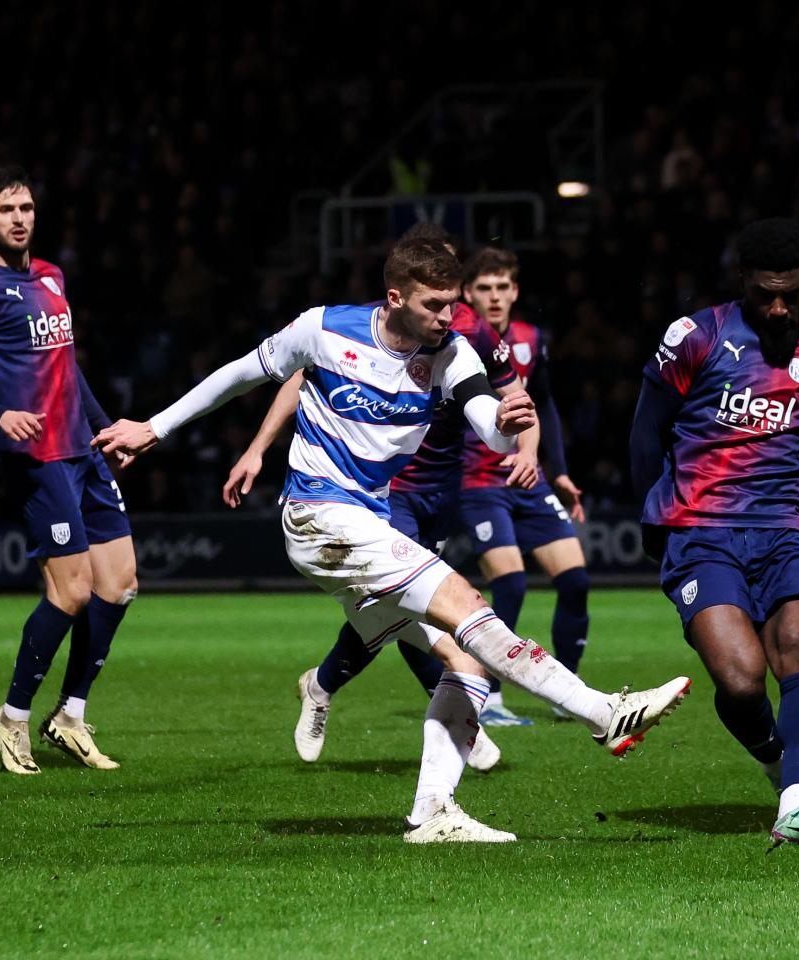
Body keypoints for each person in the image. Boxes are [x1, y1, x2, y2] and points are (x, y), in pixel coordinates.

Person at [95, 236, 690, 843]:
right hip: (318, 515)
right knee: (469, 607)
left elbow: (489, 426)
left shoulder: (454, 355)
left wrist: (512, 430)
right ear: (396, 297)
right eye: (435, 305)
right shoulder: (323, 330)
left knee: (466, 666)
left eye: (452, 304)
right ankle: (602, 712)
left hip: (368, 523)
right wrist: (155, 427)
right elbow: (239, 375)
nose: (448, 317)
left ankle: (432, 813)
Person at [223, 227, 535, 770]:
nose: (447, 305)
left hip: (445, 484)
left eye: (452, 288)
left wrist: (520, 442)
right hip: (392, 489)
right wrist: (257, 448)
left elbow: (511, 401)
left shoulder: (471, 337)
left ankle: (320, 686)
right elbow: (300, 376)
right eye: (436, 288)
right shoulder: (376, 324)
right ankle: (461, 713)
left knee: (384, 614)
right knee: (418, 608)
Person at [629, 218, 799, 846]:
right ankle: (782, 770)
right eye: (765, 294)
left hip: (781, 531)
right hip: (700, 528)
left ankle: (798, 804)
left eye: (791, 294)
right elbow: (646, 433)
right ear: (743, 284)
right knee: (739, 676)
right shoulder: (695, 337)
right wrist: (651, 519)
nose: (778, 307)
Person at [0, 166, 137, 775]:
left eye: (26, 208)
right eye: (5, 210)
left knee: (119, 584)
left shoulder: (51, 276)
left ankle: (69, 717)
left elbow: (68, 370)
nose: (19, 218)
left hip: (83, 450)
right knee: (71, 591)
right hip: (37, 458)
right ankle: (13, 717)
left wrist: (106, 430)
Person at [458, 247, 591, 725]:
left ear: (514, 291)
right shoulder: (458, 339)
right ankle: (487, 697)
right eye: (483, 288)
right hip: (479, 480)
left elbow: (544, 404)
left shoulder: (532, 339)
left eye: (502, 287)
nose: (494, 297)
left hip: (529, 476)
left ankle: (566, 694)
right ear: (467, 294)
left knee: (575, 580)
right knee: (511, 584)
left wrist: (557, 469)